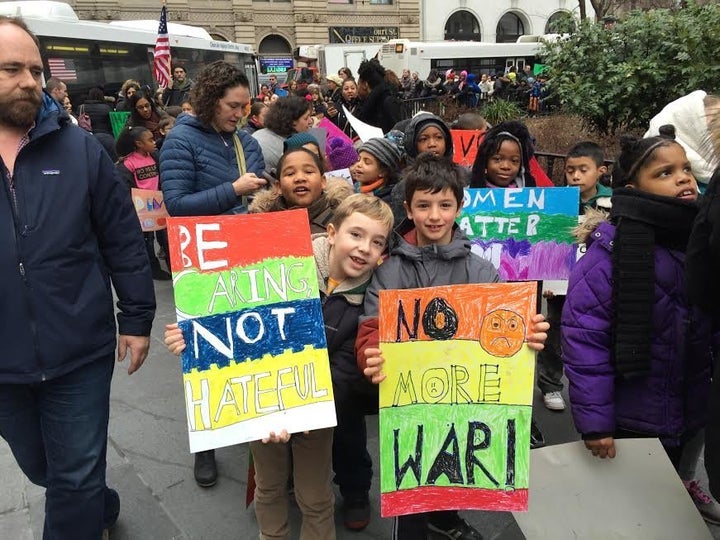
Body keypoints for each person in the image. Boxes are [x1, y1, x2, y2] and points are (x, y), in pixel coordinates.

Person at [0, 16, 156, 539]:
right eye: (11, 69)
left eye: (36, 70)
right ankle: (96, 501)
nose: (29, 81)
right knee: (45, 469)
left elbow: (122, 238)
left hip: (80, 351)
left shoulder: (81, 149)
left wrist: (136, 317)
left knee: (73, 474)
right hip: (5, 364)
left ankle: (85, 498)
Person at [356, 153, 549, 540]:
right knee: (412, 478)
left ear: (459, 207)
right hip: (410, 399)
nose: (434, 215)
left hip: (464, 395)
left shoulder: (482, 271)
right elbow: (370, 327)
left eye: (445, 205)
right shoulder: (389, 270)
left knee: (455, 462)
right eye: (424, 205)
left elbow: (505, 329)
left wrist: (528, 334)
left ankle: (445, 518)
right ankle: (413, 527)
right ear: (408, 208)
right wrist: (371, 355)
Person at [561, 126, 720, 524]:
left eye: (685, 168)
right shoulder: (606, 256)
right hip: (632, 415)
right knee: (630, 510)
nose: (683, 177)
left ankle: (684, 488)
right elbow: (585, 344)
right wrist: (595, 422)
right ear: (632, 187)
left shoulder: (703, 241)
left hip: (692, 400)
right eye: (664, 173)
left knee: (675, 485)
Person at [160, 60, 266, 487]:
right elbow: (177, 205)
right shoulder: (180, 141)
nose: (240, 113)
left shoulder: (243, 140)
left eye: (244, 106)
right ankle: (205, 446)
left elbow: (262, 188)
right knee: (205, 355)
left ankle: (250, 425)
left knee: (249, 344)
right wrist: (234, 191)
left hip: (247, 258)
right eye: (232, 105)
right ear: (210, 100)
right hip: (202, 265)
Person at [537, 141, 610, 413]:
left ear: (600, 170)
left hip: (597, 284)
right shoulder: (558, 202)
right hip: (561, 285)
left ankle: (593, 391)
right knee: (554, 332)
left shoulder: (612, 202)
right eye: (570, 170)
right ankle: (550, 385)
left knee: (595, 334)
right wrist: (547, 279)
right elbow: (547, 243)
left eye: (583, 169)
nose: (576, 176)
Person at [115, 126, 171, 281]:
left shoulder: (154, 156)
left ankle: (172, 264)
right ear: (139, 143)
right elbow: (125, 185)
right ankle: (153, 268)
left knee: (164, 237)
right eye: (150, 140)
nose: (154, 142)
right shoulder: (128, 163)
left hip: (159, 205)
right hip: (142, 209)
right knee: (148, 240)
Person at [469, 121, 555, 188]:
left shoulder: (531, 197)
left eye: (514, 161)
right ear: (485, 161)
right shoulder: (466, 195)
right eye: (497, 159)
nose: (505, 166)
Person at [252, 95, 313, 173]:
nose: (310, 121)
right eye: (306, 118)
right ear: (292, 121)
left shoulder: (260, 133)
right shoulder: (288, 148)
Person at [356, 59, 402, 134]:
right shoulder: (371, 103)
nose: (357, 88)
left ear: (365, 84)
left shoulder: (387, 103)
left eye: (358, 84)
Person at [351, 137, 401, 203]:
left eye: (367, 162)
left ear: (383, 171)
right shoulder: (353, 189)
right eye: (359, 159)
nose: (359, 164)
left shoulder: (391, 200)